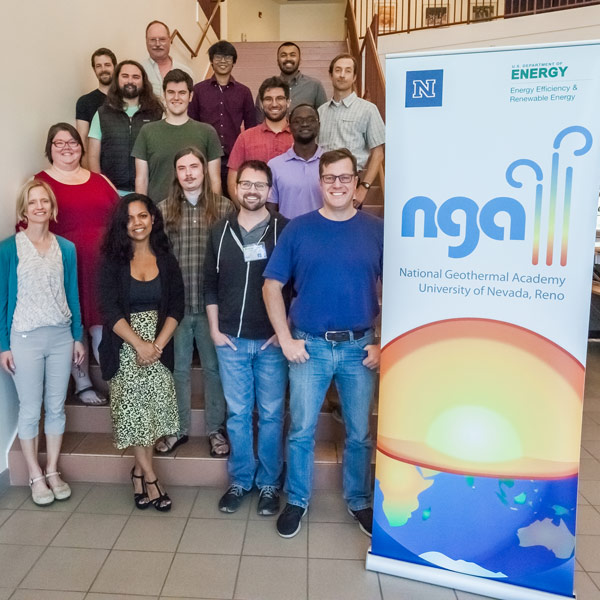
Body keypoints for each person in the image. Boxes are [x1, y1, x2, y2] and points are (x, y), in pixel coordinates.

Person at [263, 148, 383, 538]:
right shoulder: (299, 229)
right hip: (308, 348)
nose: (337, 184)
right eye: (330, 177)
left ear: (357, 181)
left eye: (344, 177)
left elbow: (400, 288)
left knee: (361, 432)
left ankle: (360, 500)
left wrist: (383, 342)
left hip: (358, 348)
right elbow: (271, 286)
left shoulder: (374, 229)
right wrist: (284, 339)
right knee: (300, 429)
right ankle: (297, 499)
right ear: (320, 182)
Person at [205, 160, 289, 515]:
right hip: (231, 341)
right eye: (246, 184)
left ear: (269, 190)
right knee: (238, 414)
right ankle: (241, 480)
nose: (253, 190)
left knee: (270, 414)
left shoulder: (284, 230)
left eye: (260, 185)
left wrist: (283, 332)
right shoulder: (219, 230)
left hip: (271, 343)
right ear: (236, 188)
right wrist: (213, 329)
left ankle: (269, 484)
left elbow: (297, 286)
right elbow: (209, 283)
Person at [0, 179, 85, 505]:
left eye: (44, 202)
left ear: (52, 207)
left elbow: (72, 294)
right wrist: (3, 345)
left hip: (61, 336)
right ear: (24, 209)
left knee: (55, 407)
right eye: (32, 202)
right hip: (24, 338)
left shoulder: (66, 248)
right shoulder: (9, 249)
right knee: (30, 409)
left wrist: (78, 336)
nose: (39, 207)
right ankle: (35, 474)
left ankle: (52, 469)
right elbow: (3, 302)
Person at [98, 193, 184, 511]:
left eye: (143, 216)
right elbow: (109, 309)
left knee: (151, 414)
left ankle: (137, 472)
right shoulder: (112, 260)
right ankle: (150, 478)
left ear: (153, 219)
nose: (137, 223)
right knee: (135, 414)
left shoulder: (166, 259)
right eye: (130, 218)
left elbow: (177, 307)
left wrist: (157, 346)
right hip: (125, 346)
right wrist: (139, 344)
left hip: (159, 346)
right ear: (123, 224)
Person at [35, 122, 118, 406]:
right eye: (59, 143)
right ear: (50, 149)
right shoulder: (40, 183)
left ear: (81, 148)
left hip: (102, 265)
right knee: (72, 324)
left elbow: (121, 220)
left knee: (102, 325)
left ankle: (115, 382)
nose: (67, 147)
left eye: (72, 142)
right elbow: (30, 226)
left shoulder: (99, 180)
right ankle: (82, 383)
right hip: (63, 267)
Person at [155, 147, 231, 457]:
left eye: (194, 167)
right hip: (177, 308)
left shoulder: (225, 208)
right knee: (180, 370)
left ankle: (216, 430)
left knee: (215, 370)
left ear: (204, 170)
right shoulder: (162, 210)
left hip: (214, 307)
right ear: (176, 173)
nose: (188, 173)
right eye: (182, 167)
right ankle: (177, 429)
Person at [133, 69, 223, 202]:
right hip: (158, 213)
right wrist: (144, 211)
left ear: (190, 96)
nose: (176, 98)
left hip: (199, 214)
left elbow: (215, 179)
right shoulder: (147, 131)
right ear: (164, 94)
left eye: (182, 93)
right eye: (171, 92)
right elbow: (141, 179)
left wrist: (214, 212)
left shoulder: (207, 132)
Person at [188, 40, 256, 197]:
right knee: (207, 200)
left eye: (228, 57)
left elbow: (251, 126)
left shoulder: (244, 92)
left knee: (234, 199)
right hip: (205, 156)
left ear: (234, 62)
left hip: (234, 158)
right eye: (218, 57)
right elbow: (192, 122)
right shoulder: (198, 90)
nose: (223, 61)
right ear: (211, 61)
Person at [318, 54, 385, 208]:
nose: (342, 75)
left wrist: (365, 187)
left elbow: (378, 152)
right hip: (324, 183)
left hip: (351, 182)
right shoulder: (321, 111)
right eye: (338, 70)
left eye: (348, 71)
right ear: (331, 74)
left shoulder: (368, 110)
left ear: (354, 77)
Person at [88, 60, 163, 195]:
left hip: (149, 191)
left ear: (143, 81)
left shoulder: (157, 113)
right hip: (112, 192)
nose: (130, 81)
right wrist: (100, 188)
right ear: (117, 80)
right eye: (125, 76)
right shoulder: (102, 113)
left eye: (136, 77)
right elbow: (93, 156)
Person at [227, 77, 293, 201]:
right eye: (268, 99)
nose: (274, 104)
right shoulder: (245, 138)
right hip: (254, 213)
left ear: (288, 102)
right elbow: (233, 181)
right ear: (261, 104)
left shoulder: (298, 138)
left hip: (291, 213)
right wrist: (245, 213)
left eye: (279, 98)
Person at [267, 103, 323, 219]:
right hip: (288, 234)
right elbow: (270, 211)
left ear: (318, 125)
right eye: (298, 121)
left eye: (311, 120)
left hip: (326, 234)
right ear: (290, 127)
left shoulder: (332, 163)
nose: (305, 124)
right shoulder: (275, 166)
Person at [255, 42, 327, 123]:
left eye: (292, 55)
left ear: (300, 60)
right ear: (277, 61)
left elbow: (323, 119)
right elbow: (259, 120)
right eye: (283, 55)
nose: (288, 58)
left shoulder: (315, 86)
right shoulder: (267, 87)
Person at [75, 47, 117, 163]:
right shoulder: (85, 102)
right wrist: (88, 174)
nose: (103, 69)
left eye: (107, 65)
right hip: (96, 167)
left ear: (115, 67)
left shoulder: (126, 99)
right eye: (98, 66)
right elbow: (82, 141)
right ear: (94, 70)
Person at [142, 20, 194, 97]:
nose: (158, 44)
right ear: (146, 41)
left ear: (169, 41)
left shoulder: (186, 71)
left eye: (162, 39)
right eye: (153, 40)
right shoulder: (139, 72)